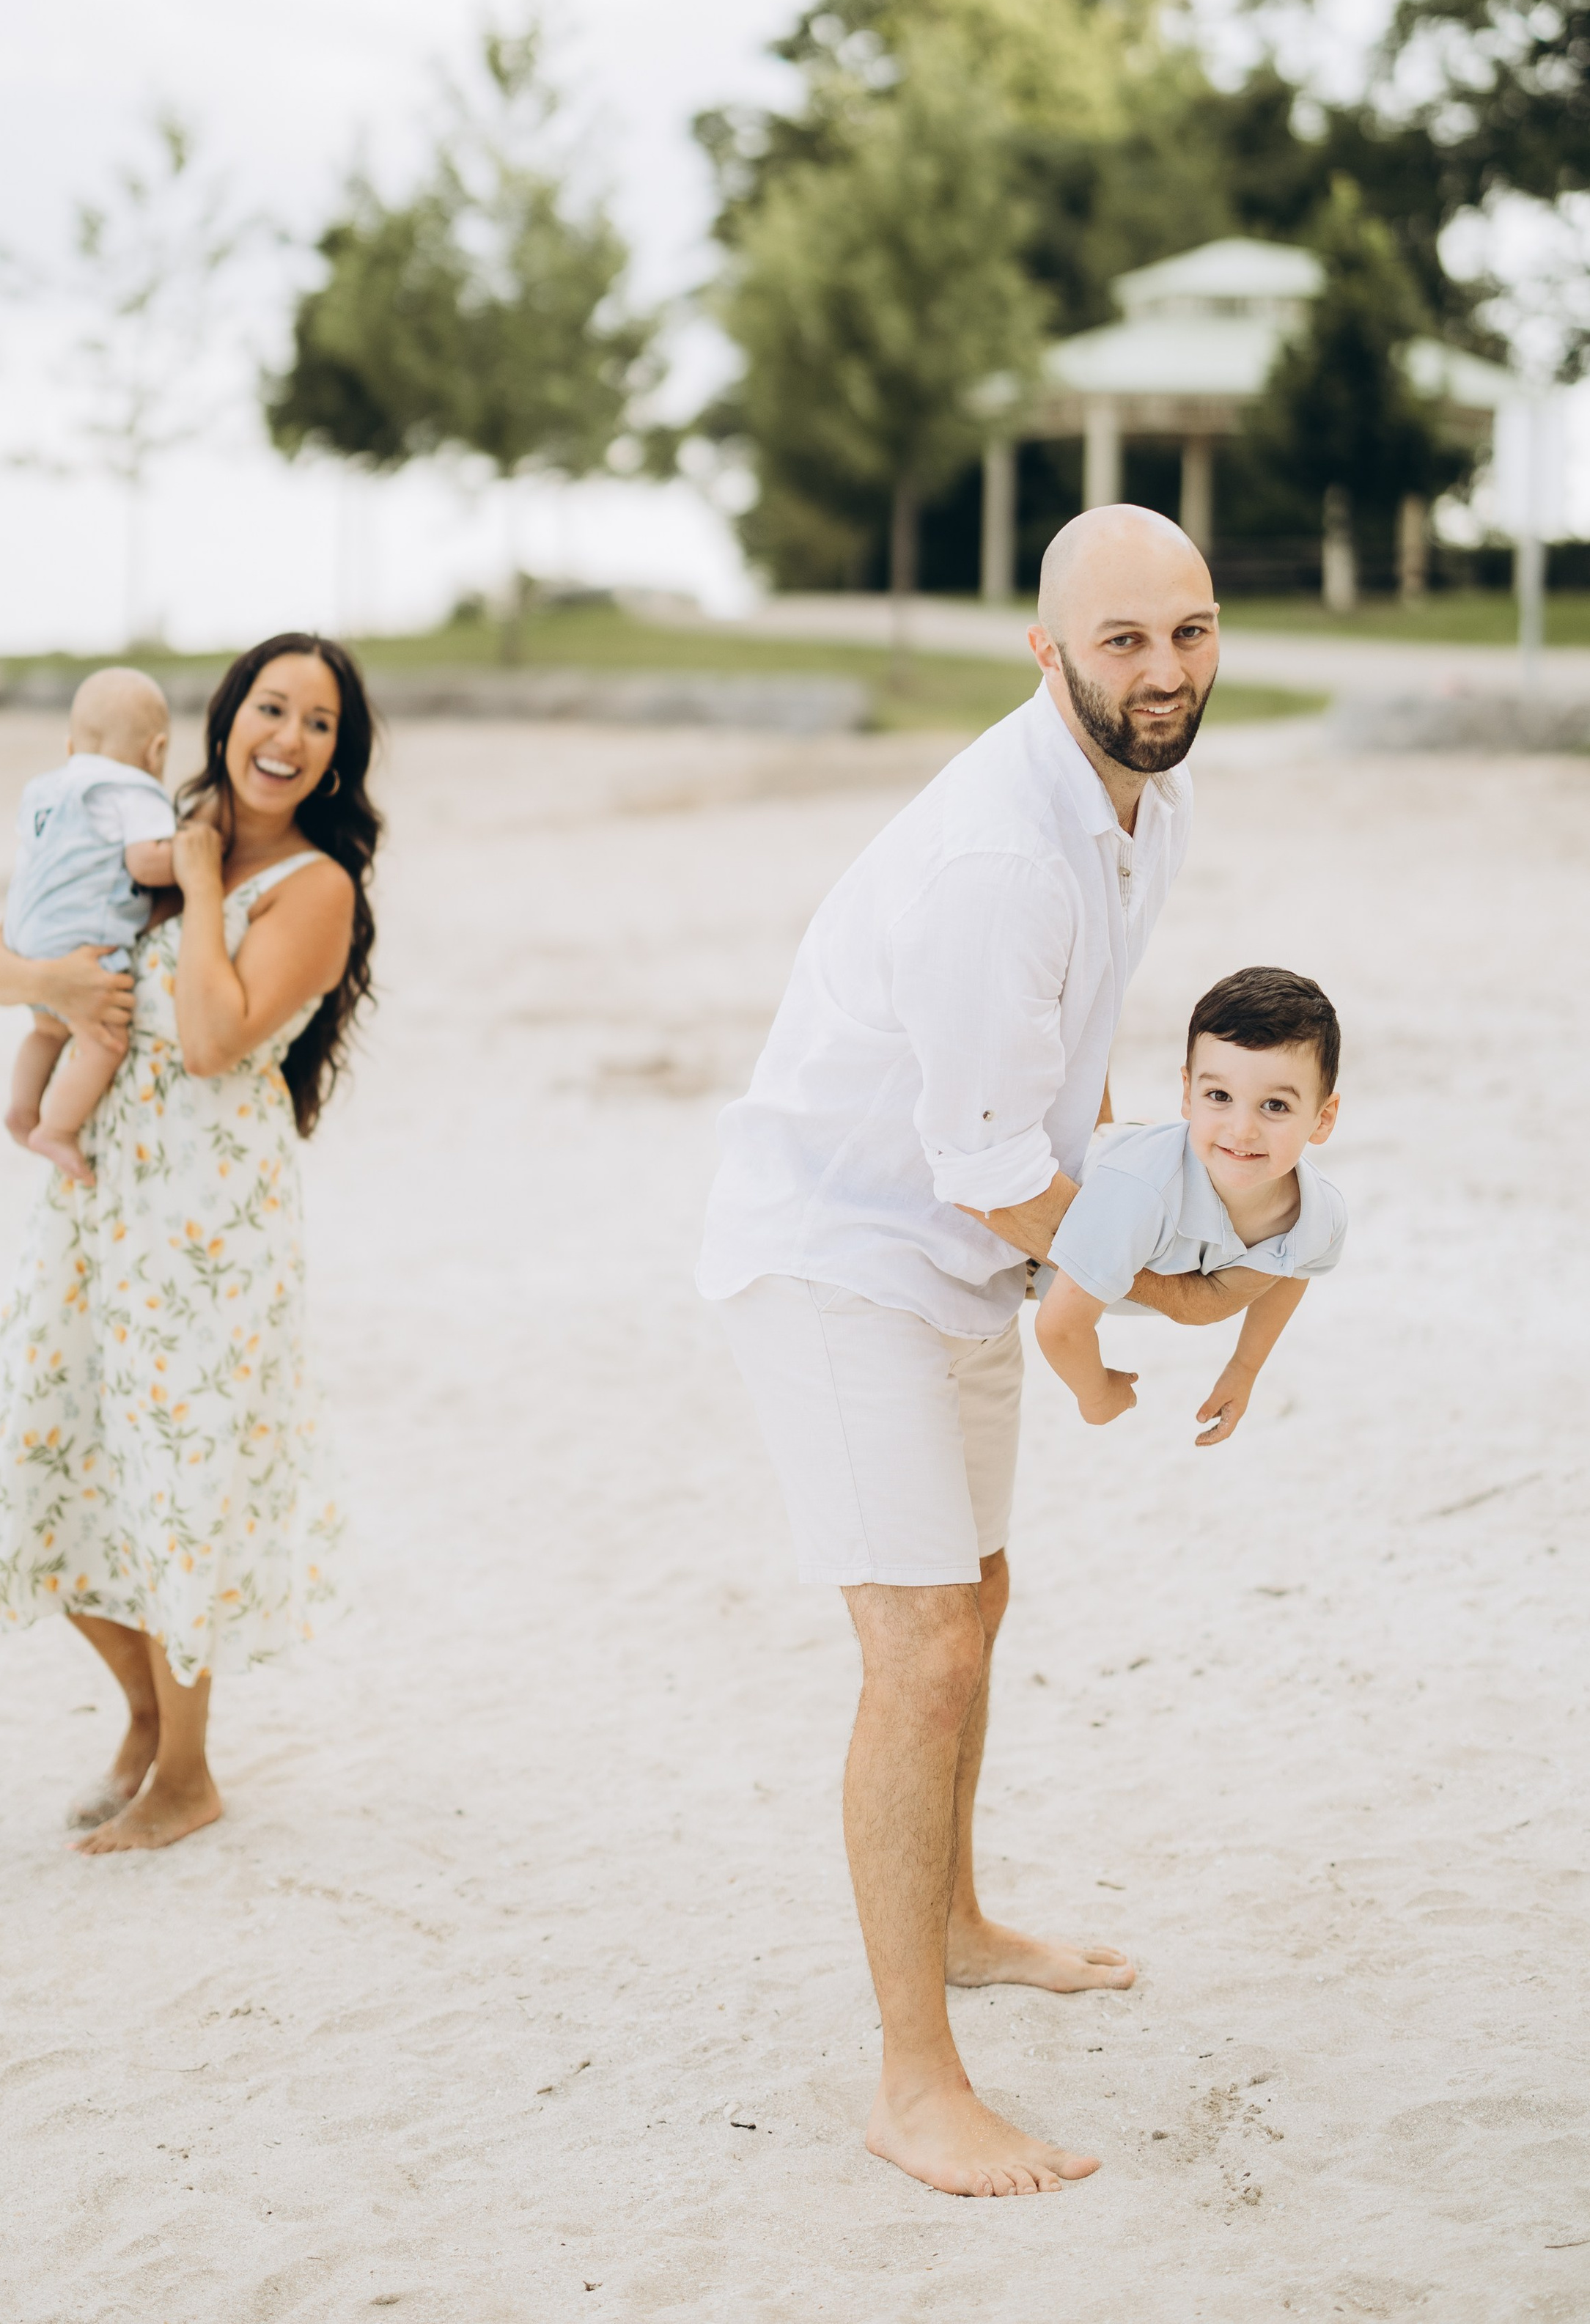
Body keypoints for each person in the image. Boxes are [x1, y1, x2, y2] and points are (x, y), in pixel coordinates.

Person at [698, 505, 1270, 2199]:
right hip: (836, 1255)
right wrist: (1137, 1295)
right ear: (1045, 653)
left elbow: (1060, 1077)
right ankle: (910, 2081)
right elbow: (977, 1156)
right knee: (924, 1645)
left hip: (957, 1250)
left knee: (982, 1592)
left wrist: (1097, 1286)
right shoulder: (997, 856)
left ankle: (951, 1919)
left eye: (1188, 629)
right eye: (1119, 640)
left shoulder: (1136, 811)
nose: (1161, 669)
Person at [0, 633, 380, 1853]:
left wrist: (198, 887)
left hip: (212, 1224)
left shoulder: (314, 889)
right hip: (101, 1210)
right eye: (271, 707)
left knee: (177, 1484)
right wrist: (56, 982)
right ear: (224, 717)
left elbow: (210, 1038)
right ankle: (147, 1718)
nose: (287, 738)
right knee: (28, 1464)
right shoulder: (145, 818)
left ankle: (188, 1778)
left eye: (317, 723)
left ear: (337, 757)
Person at [1036, 966, 1345, 1441]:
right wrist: (1095, 1394)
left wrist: (1243, 1368)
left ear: (1323, 1119)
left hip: (1141, 1173)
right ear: (1187, 1093)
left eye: (1275, 1106)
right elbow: (1059, 1326)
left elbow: (1293, 1266)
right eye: (1219, 1096)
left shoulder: (1319, 1213)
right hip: (1068, 1195)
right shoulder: (1139, 1195)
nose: (1242, 1130)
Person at [1, 666, 177, 1185]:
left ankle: (20, 1106)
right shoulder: (137, 791)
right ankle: (55, 1128)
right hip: (82, 940)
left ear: (71, 744)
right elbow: (146, 864)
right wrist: (193, 860)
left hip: (24, 936)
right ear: (158, 750)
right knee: (105, 1042)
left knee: (47, 1028)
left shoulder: (44, 789)